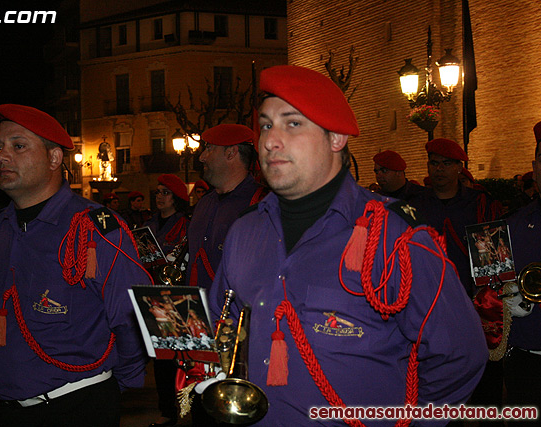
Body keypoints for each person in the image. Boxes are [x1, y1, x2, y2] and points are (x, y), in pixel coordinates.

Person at [207, 65, 487, 426]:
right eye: (265, 125)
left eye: (292, 124)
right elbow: (223, 325)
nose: (271, 140)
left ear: (336, 137)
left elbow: (461, 355)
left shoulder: (395, 235)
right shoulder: (244, 232)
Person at [0, 104, 151, 427]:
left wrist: (110, 387)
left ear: (54, 158)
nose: (1, 157)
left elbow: (134, 319)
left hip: (76, 408)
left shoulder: (97, 228)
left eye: (18, 146)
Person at [409, 138, 502, 297]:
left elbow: (491, 259)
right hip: (425, 292)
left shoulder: (479, 203)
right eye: (434, 163)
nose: (439, 169)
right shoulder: (414, 206)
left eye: (446, 163)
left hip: (470, 293)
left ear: (459, 167)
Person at [504, 118, 541, 425]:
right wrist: (501, 302)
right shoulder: (511, 228)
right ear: (534, 167)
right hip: (530, 366)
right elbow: (483, 299)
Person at [186, 124, 264, 289]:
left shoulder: (261, 204)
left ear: (231, 153)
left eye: (209, 148)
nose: (202, 157)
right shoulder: (203, 204)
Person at [144, 174, 189, 427]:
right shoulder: (149, 224)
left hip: (175, 297)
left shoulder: (185, 224)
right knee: (159, 357)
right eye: (158, 192)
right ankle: (167, 409)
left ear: (177, 199)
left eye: (165, 193)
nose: (159, 197)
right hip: (152, 294)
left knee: (177, 357)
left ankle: (181, 406)